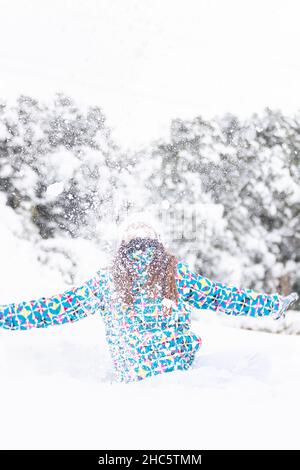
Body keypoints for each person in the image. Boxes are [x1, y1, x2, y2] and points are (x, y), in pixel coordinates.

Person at [0, 221, 298, 383]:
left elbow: (54, 310)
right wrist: (272, 306)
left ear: (121, 250)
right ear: (158, 246)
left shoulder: (107, 282)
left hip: (132, 382)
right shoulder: (175, 275)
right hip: (182, 379)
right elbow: (225, 298)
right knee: (258, 363)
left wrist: (5, 316)